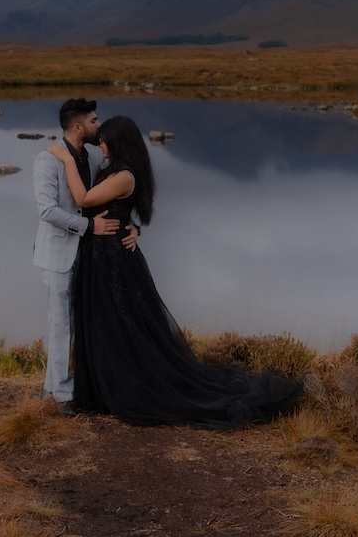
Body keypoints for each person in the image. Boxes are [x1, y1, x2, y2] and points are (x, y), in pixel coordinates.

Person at [46, 114, 303, 428]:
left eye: (104, 139)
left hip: (114, 261)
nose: (99, 142)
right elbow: (109, 208)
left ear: (118, 141)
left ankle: (129, 389)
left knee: (123, 326)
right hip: (100, 257)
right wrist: (133, 226)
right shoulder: (111, 169)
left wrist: (65, 159)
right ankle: (103, 387)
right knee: (104, 325)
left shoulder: (125, 175)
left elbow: (84, 199)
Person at [33, 98, 138, 415]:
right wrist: (89, 225)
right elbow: (48, 211)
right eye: (94, 121)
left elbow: (112, 199)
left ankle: (54, 387)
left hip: (93, 256)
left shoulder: (94, 162)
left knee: (81, 323)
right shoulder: (46, 160)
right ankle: (62, 396)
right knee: (60, 324)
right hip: (58, 255)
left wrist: (132, 227)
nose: (98, 125)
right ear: (77, 127)